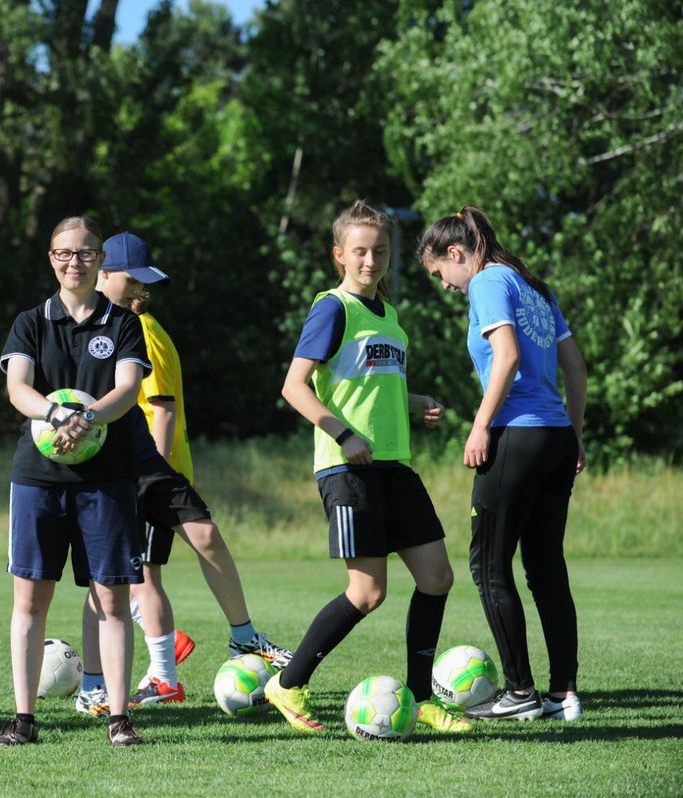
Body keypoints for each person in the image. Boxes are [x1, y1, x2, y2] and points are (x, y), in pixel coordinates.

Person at [75, 232, 292, 715]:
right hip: (125, 469)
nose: (140, 289)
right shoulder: (108, 327)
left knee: (191, 544)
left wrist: (157, 471)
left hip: (151, 463)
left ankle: (233, 639)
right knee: (120, 578)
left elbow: (162, 406)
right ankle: (123, 679)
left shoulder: (139, 326)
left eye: (144, 282)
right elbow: (156, 406)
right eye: (133, 279)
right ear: (103, 272)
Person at [272, 200, 469, 734]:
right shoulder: (332, 308)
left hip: (394, 465)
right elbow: (294, 387)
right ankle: (287, 684)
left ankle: (421, 699)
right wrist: (343, 434)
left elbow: (376, 388)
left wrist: (417, 402)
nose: (370, 260)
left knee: (437, 578)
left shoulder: (390, 315)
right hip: (347, 467)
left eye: (380, 250)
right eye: (359, 251)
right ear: (339, 254)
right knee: (367, 594)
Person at [417, 206, 587, 722]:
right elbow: (576, 368)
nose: (445, 286)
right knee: (545, 568)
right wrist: (575, 434)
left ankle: (519, 692)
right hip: (555, 439)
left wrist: (480, 425)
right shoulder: (535, 287)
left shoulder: (488, 281)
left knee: (488, 566)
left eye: (440, 273)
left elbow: (507, 356)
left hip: (517, 435)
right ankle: (563, 694)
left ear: (456, 253)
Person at [0, 216, 150, 747]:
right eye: (64, 253)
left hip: (107, 480)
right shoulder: (30, 322)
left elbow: (127, 390)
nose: (75, 262)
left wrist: (88, 417)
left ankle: (119, 718)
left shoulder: (122, 322)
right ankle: (23, 719)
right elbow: (18, 388)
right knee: (30, 601)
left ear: (100, 260)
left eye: (85, 253)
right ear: (51, 259)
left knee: (111, 600)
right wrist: (57, 415)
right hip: (37, 479)